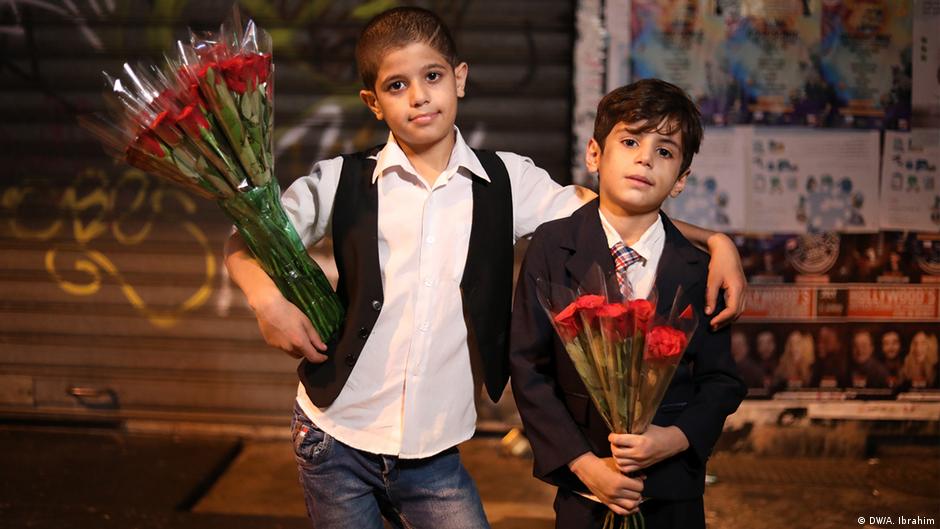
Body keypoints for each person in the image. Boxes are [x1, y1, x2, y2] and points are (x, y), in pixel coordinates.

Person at [224, 8, 747, 529]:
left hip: (435, 454)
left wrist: (716, 241)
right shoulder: (339, 180)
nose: (419, 96)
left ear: (460, 78)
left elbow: (614, 210)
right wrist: (267, 303)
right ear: (374, 103)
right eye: (396, 85)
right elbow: (246, 241)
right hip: (333, 434)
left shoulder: (508, 182)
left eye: (432, 77)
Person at [509, 79, 747, 529]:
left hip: (673, 494)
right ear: (595, 154)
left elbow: (721, 382)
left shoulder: (699, 269)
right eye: (631, 141)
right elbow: (528, 368)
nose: (645, 158)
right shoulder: (553, 246)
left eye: (665, 151)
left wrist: (674, 440)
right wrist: (583, 464)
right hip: (586, 490)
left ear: (680, 181)